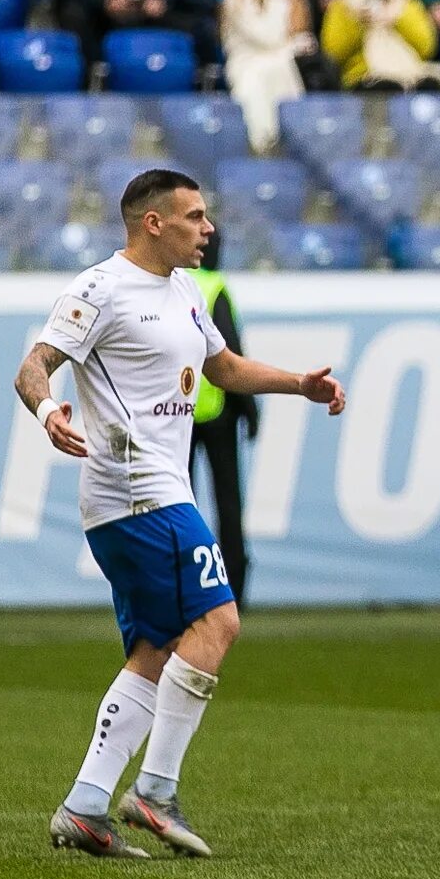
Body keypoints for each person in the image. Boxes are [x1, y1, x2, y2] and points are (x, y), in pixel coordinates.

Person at [22, 169, 349, 862]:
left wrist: (299, 384)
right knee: (220, 621)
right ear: (153, 222)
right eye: (196, 217)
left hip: (157, 492)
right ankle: (155, 792)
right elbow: (35, 365)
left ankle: (86, 806)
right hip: (135, 490)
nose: (208, 230)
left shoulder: (185, 293)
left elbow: (223, 369)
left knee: (157, 646)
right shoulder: (100, 289)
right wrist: (50, 411)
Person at [187, 233, 256, 606]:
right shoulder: (214, 288)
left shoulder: (175, 285)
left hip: (177, 415)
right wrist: (249, 409)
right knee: (228, 504)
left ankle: (187, 586)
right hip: (218, 413)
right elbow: (232, 355)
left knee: (182, 508)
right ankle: (234, 589)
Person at [221, 0, 317, 152]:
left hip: (279, 62)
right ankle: (262, 144)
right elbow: (267, 38)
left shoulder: (293, 0)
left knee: (282, 69)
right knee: (260, 75)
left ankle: (290, 142)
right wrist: (292, 45)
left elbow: (302, 40)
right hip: (246, 62)